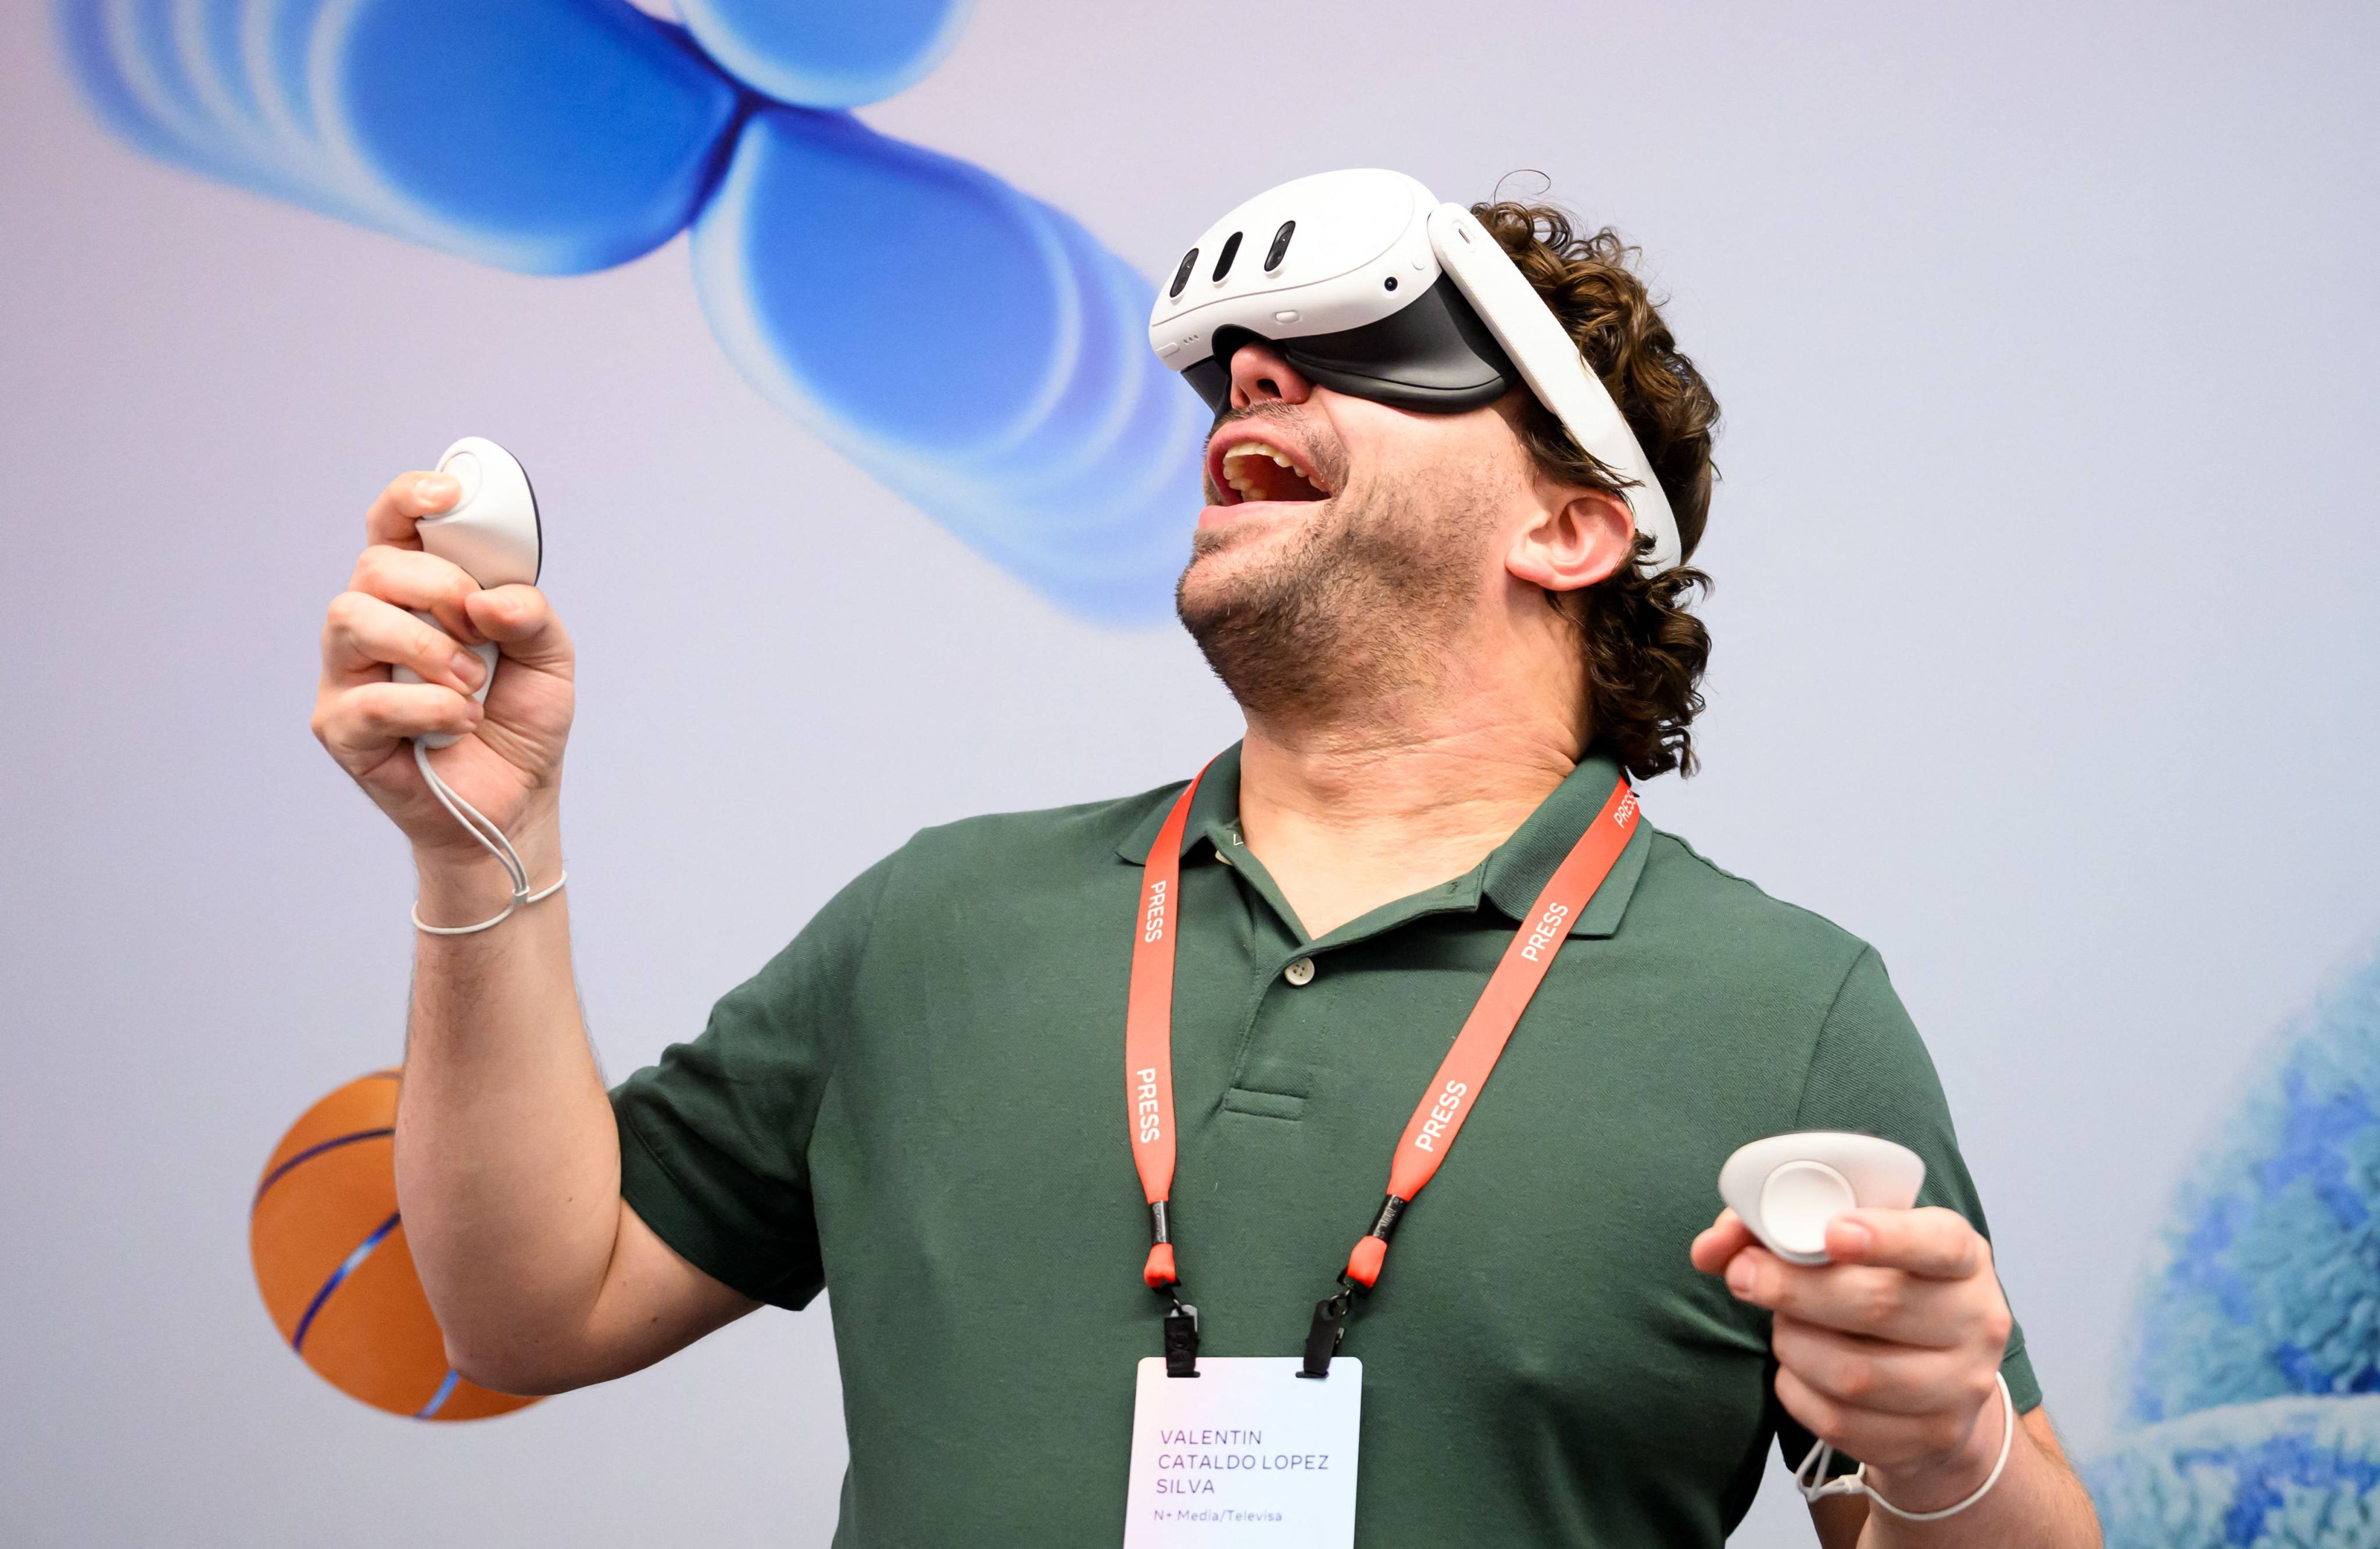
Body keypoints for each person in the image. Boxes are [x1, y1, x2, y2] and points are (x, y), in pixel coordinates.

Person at [310, 197, 2103, 1547]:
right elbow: (530, 1301)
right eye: (1241, 368)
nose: (1253, 378)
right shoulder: (938, 922)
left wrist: (1946, 1457)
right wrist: (487, 844)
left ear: (1571, 525)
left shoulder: (1784, 1020)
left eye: (1389, 352)